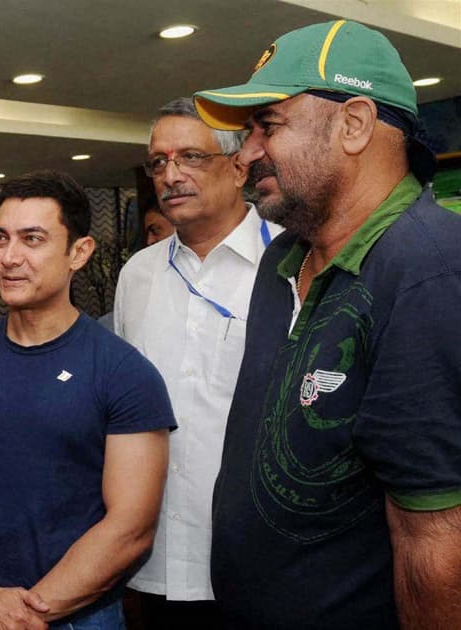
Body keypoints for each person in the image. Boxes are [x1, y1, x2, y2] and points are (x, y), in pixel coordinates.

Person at [193, 19, 461, 629]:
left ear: (355, 124)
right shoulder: (278, 261)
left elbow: (439, 542)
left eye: (268, 125)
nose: (247, 153)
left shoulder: (428, 271)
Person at [0, 170, 176, 629]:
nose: (9, 258)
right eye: (1, 238)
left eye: (32, 240)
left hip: (78, 617)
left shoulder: (125, 373)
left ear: (79, 252)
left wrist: (24, 615)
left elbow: (131, 526)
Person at [112, 97, 281, 628]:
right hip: (154, 558)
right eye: (158, 162)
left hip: (264, 559)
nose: (171, 175)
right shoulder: (137, 275)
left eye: (190, 157)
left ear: (238, 166)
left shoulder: (293, 263)